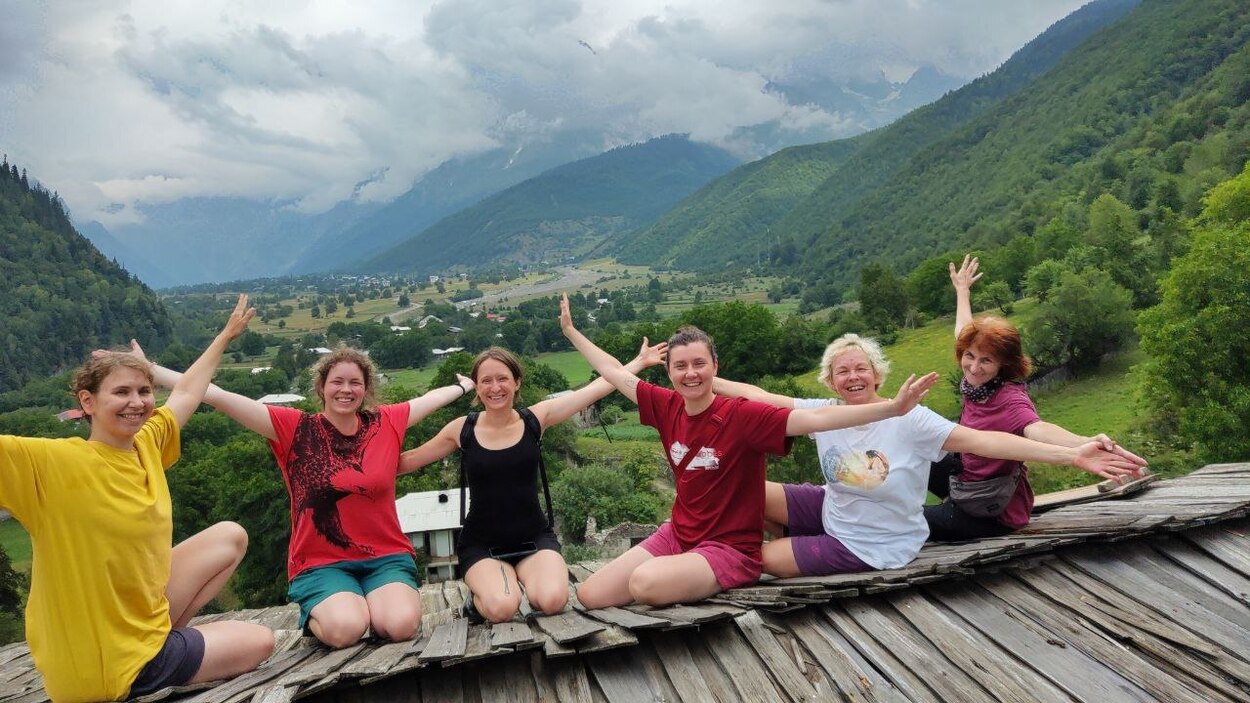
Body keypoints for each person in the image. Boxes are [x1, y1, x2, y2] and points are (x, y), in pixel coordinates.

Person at [558, 294, 940, 609]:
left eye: (699, 364)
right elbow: (614, 372)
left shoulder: (742, 415)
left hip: (730, 548)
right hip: (681, 533)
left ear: (714, 367)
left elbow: (816, 418)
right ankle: (685, 568)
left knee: (644, 584)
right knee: (591, 595)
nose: (691, 373)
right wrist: (572, 332)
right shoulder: (665, 405)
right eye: (681, 366)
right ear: (669, 372)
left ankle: (708, 572)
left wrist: (892, 409)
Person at [0, 295, 274, 703]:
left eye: (144, 391)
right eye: (121, 392)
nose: (137, 402)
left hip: (134, 630)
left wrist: (225, 336)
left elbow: (187, 392)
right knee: (260, 641)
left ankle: (161, 640)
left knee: (230, 536)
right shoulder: (46, 463)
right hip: (102, 669)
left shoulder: (146, 443)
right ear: (87, 402)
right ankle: (156, 661)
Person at [713, 333, 1150, 578]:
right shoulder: (825, 413)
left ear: (877, 375)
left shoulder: (910, 418)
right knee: (745, 492)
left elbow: (985, 442)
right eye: (842, 371)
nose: (853, 377)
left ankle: (784, 547)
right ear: (830, 381)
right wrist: (699, 379)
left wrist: (1072, 454)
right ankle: (793, 539)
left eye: (861, 368)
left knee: (763, 558)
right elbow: (760, 396)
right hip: (836, 508)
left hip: (877, 542)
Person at [143, 344, 475, 648]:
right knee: (346, 630)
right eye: (337, 382)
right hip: (321, 561)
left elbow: (431, 398)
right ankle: (328, 612)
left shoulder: (385, 422)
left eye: (355, 383)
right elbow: (217, 395)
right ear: (321, 387)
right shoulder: (295, 429)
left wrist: (464, 386)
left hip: (385, 556)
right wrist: (152, 372)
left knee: (401, 626)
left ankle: (367, 605)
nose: (346, 389)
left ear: (366, 389)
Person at [398, 339, 667, 623]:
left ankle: (512, 582)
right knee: (502, 608)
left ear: (517, 382)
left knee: (552, 601)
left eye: (502, 378)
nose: (495, 387)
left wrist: (638, 362)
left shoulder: (535, 419)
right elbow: (411, 459)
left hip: (534, 538)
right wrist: (364, 462)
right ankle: (479, 599)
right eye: (486, 381)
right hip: (482, 545)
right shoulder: (462, 429)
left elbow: (595, 389)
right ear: (477, 387)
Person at [925, 255, 1148, 540]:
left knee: (904, 521)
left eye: (986, 360)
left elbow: (1037, 428)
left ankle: (944, 515)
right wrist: (962, 291)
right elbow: (963, 333)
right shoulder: (977, 384)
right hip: (968, 477)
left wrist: (1083, 442)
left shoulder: (1009, 399)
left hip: (992, 509)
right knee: (910, 449)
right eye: (969, 356)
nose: (974, 367)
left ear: (1003, 364)